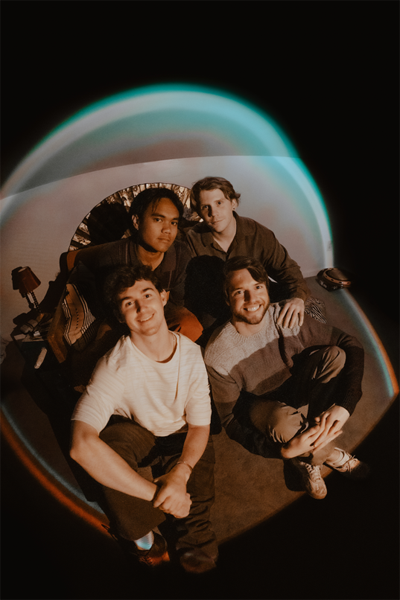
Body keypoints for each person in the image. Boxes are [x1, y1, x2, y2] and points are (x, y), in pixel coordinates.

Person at [70, 265, 218, 573]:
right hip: (139, 430)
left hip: (181, 433)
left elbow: (200, 426)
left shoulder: (191, 354)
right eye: (129, 303)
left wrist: (182, 472)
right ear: (120, 315)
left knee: (196, 523)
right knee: (106, 449)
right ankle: (143, 538)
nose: (141, 307)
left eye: (147, 295)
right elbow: (80, 446)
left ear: (163, 297)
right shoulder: (114, 365)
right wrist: (158, 493)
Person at [204, 256, 367, 500]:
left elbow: (349, 342)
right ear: (228, 299)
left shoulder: (284, 315)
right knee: (281, 421)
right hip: (263, 407)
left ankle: (308, 446)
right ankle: (325, 455)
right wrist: (284, 451)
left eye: (257, 287)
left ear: (267, 289)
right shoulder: (217, 354)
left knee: (336, 355)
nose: (252, 299)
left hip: (297, 389)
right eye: (239, 292)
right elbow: (231, 422)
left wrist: (346, 405)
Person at [70, 187, 203, 387]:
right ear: (136, 221)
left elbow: (179, 301)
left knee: (190, 325)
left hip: (162, 314)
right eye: (158, 220)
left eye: (174, 222)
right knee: (101, 358)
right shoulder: (113, 256)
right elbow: (110, 310)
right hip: (122, 318)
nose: (167, 230)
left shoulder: (180, 253)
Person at [184, 176, 325, 342]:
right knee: (213, 341)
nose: (213, 213)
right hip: (218, 307)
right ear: (199, 212)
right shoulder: (191, 240)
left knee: (308, 307)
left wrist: (297, 299)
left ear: (233, 203)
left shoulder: (257, 232)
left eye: (219, 203)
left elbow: (288, 271)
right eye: (205, 207)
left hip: (257, 297)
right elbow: (194, 294)